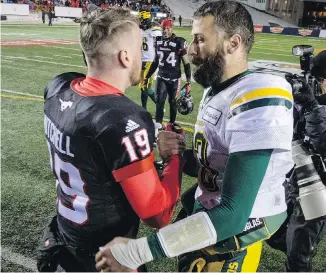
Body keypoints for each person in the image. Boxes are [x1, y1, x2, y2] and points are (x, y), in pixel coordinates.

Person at [95, 1, 294, 272]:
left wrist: (138, 251)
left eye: (200, 40)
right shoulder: (218, 90)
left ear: (232, 43)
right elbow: (213, 168)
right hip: (205, 224)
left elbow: (234, 214)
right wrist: (175, 153)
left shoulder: (260, 94)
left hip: (231, 243)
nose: (189, 51)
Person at [36, 8, 185, 272]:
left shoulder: (58, 86)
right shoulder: (121, 119)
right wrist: (172, 158)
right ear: (125, 57)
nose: (144, 54)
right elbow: (157, 214)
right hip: (103, 257)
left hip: (61, 238)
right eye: (140, 48)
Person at [266, 50, 326, 272]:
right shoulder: (315, 103)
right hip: (297, 182)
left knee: (297, 261)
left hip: (318, 195)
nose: (315, 85)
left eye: (319, 80)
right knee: (272, 231)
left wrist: (311, 108)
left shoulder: (315, 106)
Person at [143, 18, 191, 129]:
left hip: (174, 78)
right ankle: (158, 125)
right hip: (161, 76)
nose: (165, 31)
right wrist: (147, 76)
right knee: (159, 102)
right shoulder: (158, 41)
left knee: (172, 102)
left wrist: (188, 80)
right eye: (163, 28)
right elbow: (155, 62)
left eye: (167, 28)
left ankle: (172, 124)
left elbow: (186, 63)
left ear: (171, 28)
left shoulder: (179, 41)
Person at [138, 10, 162, 109]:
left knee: (145, 86)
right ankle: (144, 108)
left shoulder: (154, 31)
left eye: (141, 19)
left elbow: (160, 45)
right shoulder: (140, 31)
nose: (140, 21)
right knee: (142, 87)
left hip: (151, 61)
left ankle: (159, 106)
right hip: (142, 61)